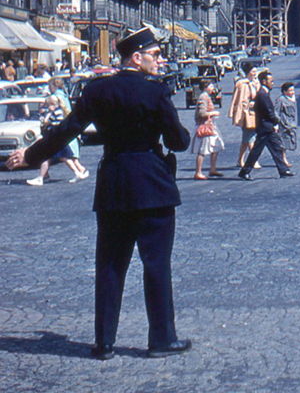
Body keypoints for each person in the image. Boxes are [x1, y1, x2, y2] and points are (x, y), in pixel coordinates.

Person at [6, 27, 191, 360]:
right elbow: (178, 141)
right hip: (153, 184)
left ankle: (104, 342)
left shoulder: (97, 90)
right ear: (137, 57)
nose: (160, 61)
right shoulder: (156, 92)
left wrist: (31, 156)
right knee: (156, 265)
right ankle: (162, 339)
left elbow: (67, 130)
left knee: (109, 265)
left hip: (114, 184)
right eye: (156, 55)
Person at [238, 71, 295, 181]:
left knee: (276, 148)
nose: (272, 83)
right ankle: (245, 171)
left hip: (267, 127)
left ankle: (283, 170)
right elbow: (269, 112)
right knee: (256, 151)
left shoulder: (263, 93)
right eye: (271, 81)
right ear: (264, 81)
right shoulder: (262, 94)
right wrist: (276, 122)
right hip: (265, 127)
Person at [26, 95, 86, 186]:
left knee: (50, 157)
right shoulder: (58, 111)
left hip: (56, 139)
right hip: (58, 139)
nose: (47, 107)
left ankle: (41, 178)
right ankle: (44, 176)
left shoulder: (56, 112)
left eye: (48, 105)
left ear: (52, 104)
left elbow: (46, 122)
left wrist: (46, 117)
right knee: (63, 158)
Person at [228, 62, 261, 169]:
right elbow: (238, 100)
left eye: (256, 71)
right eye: (253, 72)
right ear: (248, 73)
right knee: (251, 137)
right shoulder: (242, 85)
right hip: (245, 114)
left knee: (246, 139)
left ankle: (240, 160)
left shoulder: (256, 83)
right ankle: (253, 161)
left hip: (254, 113)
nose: (255, 74)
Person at [191, 80, 224, 180]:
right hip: (205, 126)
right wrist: (213, 113)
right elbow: (202, 113)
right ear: (205, 87)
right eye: (211, 86)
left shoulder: (206, 96)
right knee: (203, 149)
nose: (212, 88)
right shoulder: (203, 97)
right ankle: (198, 172)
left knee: (216, 146)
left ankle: (212, 169)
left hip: (210, 125)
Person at [274, 82, 297, 169]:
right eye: (290, 90)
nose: (292, 92)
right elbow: (276, 112)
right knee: (283, 142)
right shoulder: (281, 100)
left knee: (287, 142)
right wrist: (276, 124)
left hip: (291, 124)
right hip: (283, 124)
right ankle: (283, 159)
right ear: (284, 91)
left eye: (293, 90)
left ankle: (282, 159)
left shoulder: (293, 99)